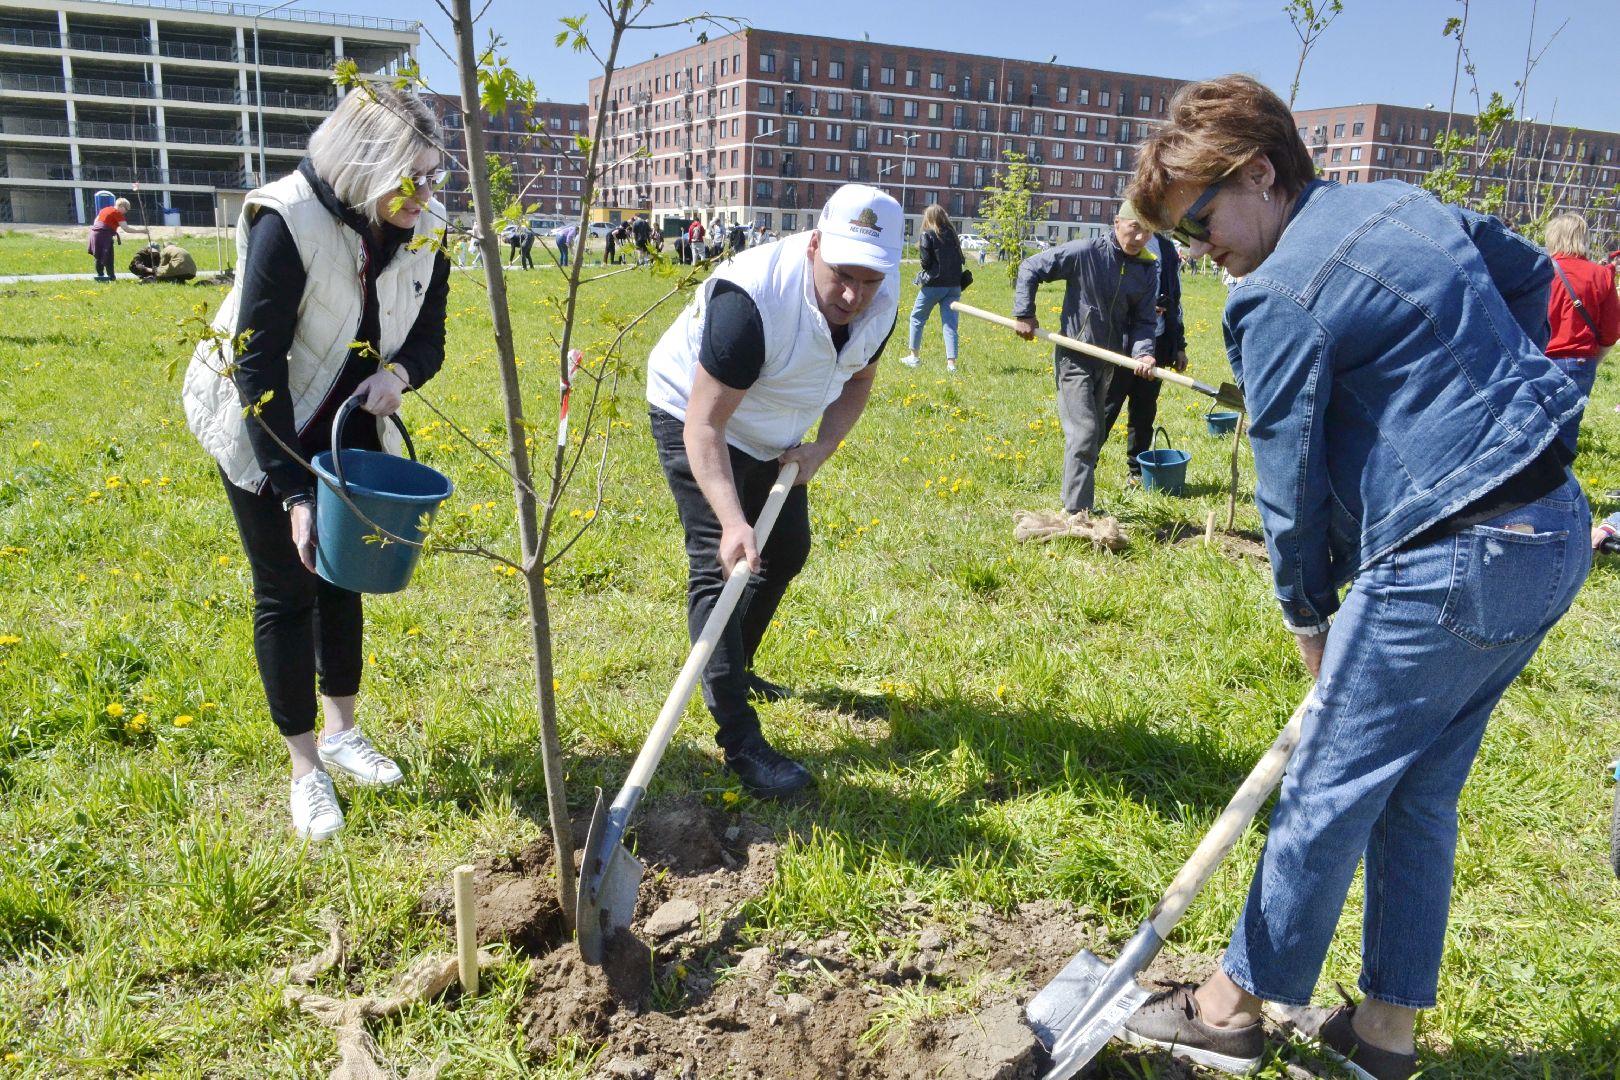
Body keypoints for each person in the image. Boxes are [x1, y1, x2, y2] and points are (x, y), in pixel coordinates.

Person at [1116, 74, 1588, 1079]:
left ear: (1260, 173)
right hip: (1554, 530)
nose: (1205, 254)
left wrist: (1308, 622)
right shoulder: (1401, 199)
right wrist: (1485, 389)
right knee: (1417, 797)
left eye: (1201, 222)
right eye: (1182, 239)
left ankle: (1229, 1008)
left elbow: (1286, 489)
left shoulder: (1277, 297)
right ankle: (1384, 1037)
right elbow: (1534, 275)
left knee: (1328, 792)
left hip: (1451, 560)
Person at [181, 84, 452, 842]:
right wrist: (294, 490)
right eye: (412, 176)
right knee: (287, 586)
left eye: (436, 176)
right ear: (366, 164)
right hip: (263, 420)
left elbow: (428, 338)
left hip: (349, 420)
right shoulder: (287, 219)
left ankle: (342, 731)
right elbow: (256, 370)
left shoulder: (429, 229)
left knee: (344, 574)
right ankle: (305, 768)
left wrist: (397, 377)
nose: (425, 194)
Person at [645, 183, 901, 798]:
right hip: (699, 417)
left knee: (784, 551)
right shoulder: (753, 300)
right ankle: (740, 739)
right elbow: (703, 424)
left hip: (775, 430)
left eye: (869, 281)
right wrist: (733, 521)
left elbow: (859, 378)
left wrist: (822, 448)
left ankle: (737, 663)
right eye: (841, 275)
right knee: (724, 566)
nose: (853, 295)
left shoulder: (880, 297)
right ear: (814, 245)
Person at [1011, 204, 1158, 515]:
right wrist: (1025, 313)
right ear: (1117, 222)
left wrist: (1143, 352)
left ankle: (1075, 503)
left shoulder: (1146, 269)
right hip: (1075, 357)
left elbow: (1144, 321)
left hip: (1108, 362)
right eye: (1135, 228)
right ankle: (1078, 512)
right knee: (1085, 432)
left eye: (1148, 232)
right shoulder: (1084, 252)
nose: (1140, 237)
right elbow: (1030, 267)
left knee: (1095, 435)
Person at [1102, 231, 1187, 484]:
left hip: (1157, 344)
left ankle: (1137, 473)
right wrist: (1139, 308)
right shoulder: (1115, 243)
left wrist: (1179, 345)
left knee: (1144, 411)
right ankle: (1084, 467)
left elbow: (1176, 297)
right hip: (1120, 343)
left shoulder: (1165, 247)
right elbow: (1106, 293)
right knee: (1106, 407)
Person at [1543, 211, 1619, 454]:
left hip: (1539, 359)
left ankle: (1529, 488)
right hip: (1579, 362)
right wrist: (1595, 361)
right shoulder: (1600, 275)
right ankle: (1561, 487)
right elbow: (1611, 330)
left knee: (1533, 427)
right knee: (1567, 430)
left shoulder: (1539, 271)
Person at [901, 204, 967, 373]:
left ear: (928, 218)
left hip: (934, 285)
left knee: (917, 317)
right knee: (950, 325)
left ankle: (914, 357)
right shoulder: (953, 235)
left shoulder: (927, 235)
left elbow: (925, 262)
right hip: (954, 285)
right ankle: (951, 365)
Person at [87, 197, 131, 281]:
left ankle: (100, 276)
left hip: (94, 234)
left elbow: (96, 222)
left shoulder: (104, 209)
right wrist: (142, 231)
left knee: (98, 256)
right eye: (126, 209)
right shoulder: (117, 213)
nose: (126, 212)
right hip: (104, 235)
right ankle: (111, 277)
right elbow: (126, 228)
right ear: (121, 206)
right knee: (109, 257)